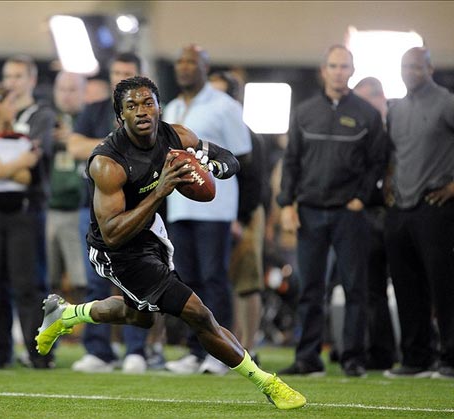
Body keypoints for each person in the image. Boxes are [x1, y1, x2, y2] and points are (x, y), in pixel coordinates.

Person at [35, 76, 306, 410]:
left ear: (159, 106)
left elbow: (229, 158)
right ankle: (267, 383)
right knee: (199, 314)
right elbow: (112, 233)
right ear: (120, 118)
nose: (142, 111)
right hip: (116, 250)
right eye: (131, 106)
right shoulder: (107, 162)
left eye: (147, 102)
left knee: (141, 317)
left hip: (150, 235)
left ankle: (66, 315)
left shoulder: (175, 135)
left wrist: (215, 167)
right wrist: (162, 189)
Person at [277, 45, 386, 377]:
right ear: (323, 70)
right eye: (333, 66)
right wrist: (286, 204)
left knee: (355, 288)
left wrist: (361, 198)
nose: (339, 71)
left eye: (345, 66)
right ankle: (307, 358)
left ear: (352, 71)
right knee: (310, 289)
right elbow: (291, 161)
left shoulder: (367, 115)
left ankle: (352, 357)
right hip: (309, 211)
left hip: (349, 214)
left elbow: (378, 162)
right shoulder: (304, 112)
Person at [163, 45, 253, 375]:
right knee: (186, 282)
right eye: (180, 61)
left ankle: (223, 353)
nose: (184, 67)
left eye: (191, 62)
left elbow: (243, 156)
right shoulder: (171, 106)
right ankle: (193, 350)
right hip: (178, 205)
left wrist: (209, 173)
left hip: (214, 208)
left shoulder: (224, 106)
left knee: (214, 279)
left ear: (205, 66)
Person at [66, 52, 151, 373]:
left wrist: (99, 148)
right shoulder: (94, 109)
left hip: (136, 211)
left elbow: (151, 150)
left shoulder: (149, 113)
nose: (120, 77)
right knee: (95, 282)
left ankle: (136, 350)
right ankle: (99, 351)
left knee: (137, 282)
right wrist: (120, 147)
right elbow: (74, 147)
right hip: (94, 211)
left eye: (127, 72)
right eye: (116, 71)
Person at [0, 55, 55, 369]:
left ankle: (39, 354)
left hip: (24, 212)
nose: (12, 85)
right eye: (8, 78)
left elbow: (29, 172)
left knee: (29, 284)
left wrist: (0, 168)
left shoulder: (37, 119)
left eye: (18, 76)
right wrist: (18, 163)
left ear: (32, 79)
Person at [383, 47, 454, 379]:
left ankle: (450, 358)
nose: (409, 71)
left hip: (436, 206)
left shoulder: (447, 102)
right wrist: (389, 183)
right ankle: (416, 358)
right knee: (406, 285)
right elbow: (395, 153)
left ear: (430, 68)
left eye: (415, 66)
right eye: (404, 66)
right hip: (402, 209)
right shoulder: (396, 109)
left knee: (444, 286)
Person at [209, 70, 266, 364]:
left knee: (247, 282)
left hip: (243, 214)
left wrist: (241, 218)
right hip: (215, 215)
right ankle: (229, 345)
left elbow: (255, 182)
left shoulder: (246, 134)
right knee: (221, 281)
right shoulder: (206, 131)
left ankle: (249, 344)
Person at [352, 77, 397, 370]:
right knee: (370, 287)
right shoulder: (368, 129)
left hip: (396, 212)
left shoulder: (395, 125)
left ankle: (419, 349)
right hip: (372, 214)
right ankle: (377, 350)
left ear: (378, 98)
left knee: (414, 286)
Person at [47, 71, 88, 303]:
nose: (67, 95)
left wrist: (73, 139)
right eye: (62, 89)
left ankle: (83, 333)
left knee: (82, 279)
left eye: (73, 89)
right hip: (49, 208)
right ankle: (50, 334)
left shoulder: (90, 119)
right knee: (48, 279)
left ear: (84, 92)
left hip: (79, 209)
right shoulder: (46, 119)